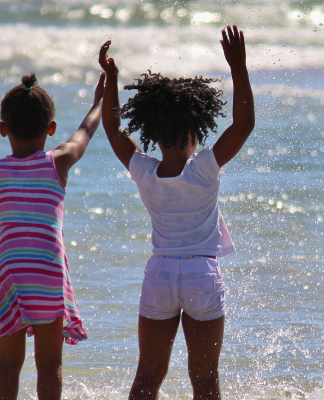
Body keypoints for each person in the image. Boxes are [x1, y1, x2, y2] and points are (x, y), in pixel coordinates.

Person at [97, 24, 254, 400]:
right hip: (201, 273)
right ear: (196, 130)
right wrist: (238, 66)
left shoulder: (145, 172)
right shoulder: (203, 168)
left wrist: (113, 78)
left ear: (152, 130)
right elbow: (244, 125)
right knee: (205, 380)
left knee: (148, 376)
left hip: (160, 274)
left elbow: (113, 127)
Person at [0, 72, 104, 400]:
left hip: (9, 273)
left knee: (7, 364)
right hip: (47, 272)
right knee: (49, 365)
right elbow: (84, 132)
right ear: (50, 128)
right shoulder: (57, 162)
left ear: (3, 128)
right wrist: (99, 102)